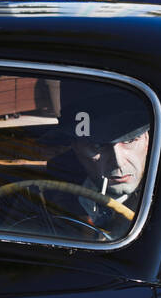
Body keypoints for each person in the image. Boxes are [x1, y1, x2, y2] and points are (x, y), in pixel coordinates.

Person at [45, 83, 152, 239]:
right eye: (97, 145)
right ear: (75, 147)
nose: (118, 162)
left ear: (148, 139)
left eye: (130, 140)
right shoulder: (47, 193)